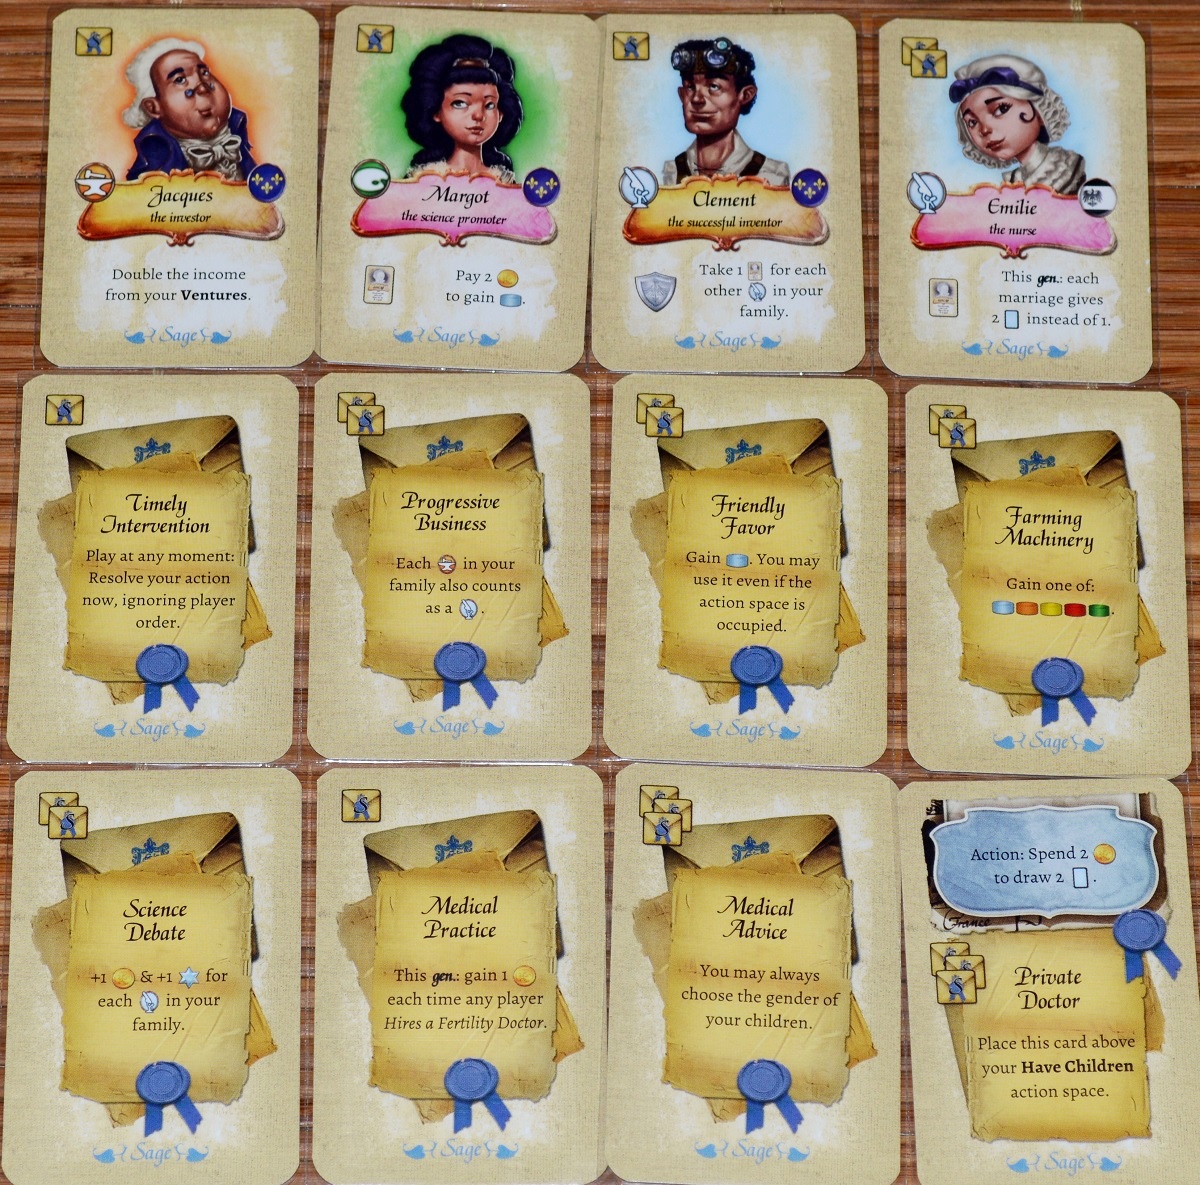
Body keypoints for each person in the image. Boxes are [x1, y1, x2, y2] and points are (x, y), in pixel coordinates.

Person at [949, 54, 1085, 196]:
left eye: (1001, 109)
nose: (984, 129)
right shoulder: (1013, 181)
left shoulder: (1066, 170)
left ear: (1039, 110)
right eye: (972, 122)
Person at [122, 38, 256, 182]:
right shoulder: (156, 158)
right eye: (180, 79)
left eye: (204, 73)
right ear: (154, 107)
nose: (202, 87)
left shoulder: (237, 131)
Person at [662, 37, 789, 187]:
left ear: (745, 95)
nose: (696, 99)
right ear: (682, 95)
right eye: (690, 87)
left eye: (714, 86)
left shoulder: (771, 177)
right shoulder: (671, 174)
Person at [401, 34, 523, 183]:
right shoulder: (423, 178)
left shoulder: (504, 180)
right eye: (460, 103)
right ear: (436, 111)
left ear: (501, 113)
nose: (478, 115)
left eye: (490, 105)